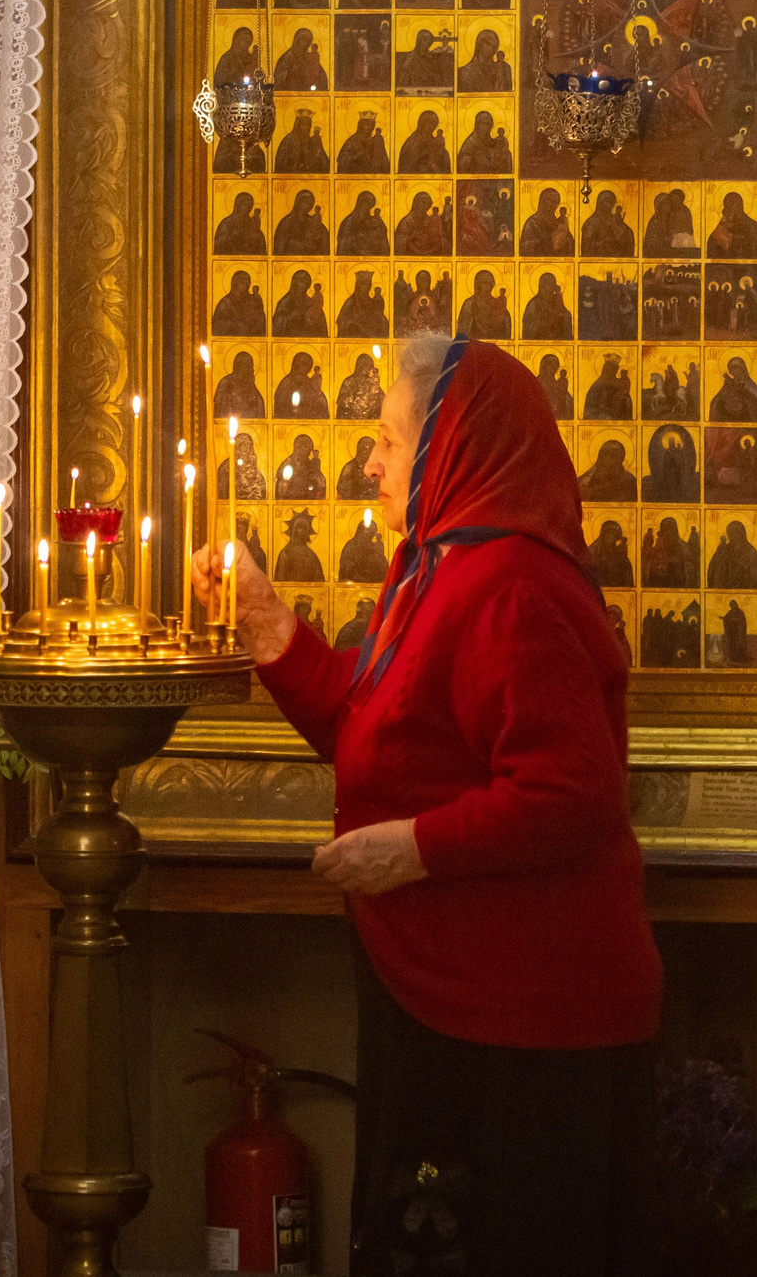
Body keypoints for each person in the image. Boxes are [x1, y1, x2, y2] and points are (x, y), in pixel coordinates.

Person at [191, 335, 663, 1274]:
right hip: (454, 1000)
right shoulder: (437, 571)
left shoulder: (511, 585)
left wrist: (411, 848)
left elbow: (572, 793)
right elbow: (377, 729)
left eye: (389, 439)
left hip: (525, 1027)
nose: (370, 462)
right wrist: (267, 621)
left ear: (454, 446)